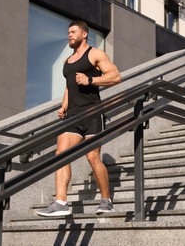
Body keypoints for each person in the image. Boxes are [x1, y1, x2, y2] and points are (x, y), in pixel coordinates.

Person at [36, 20, 121, 217]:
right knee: (61, 154)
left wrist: (91, 79)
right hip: (72, 115)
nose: (70, 35)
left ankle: (106, 200)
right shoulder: (67, 62)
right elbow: (69, 85)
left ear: (84, 34)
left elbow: (115, 76)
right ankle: (60, 203)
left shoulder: (95, 54)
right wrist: (64, 104)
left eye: (73, 32)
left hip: (92, 112)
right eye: (68, 32)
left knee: (92, 157)